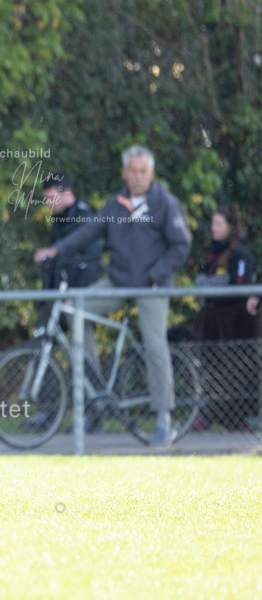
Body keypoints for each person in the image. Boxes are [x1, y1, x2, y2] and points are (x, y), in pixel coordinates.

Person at [33, 145, 191, 446]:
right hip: (119, 281)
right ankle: (96, 390)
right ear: (124, 173)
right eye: (133, 171)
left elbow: (181, 245)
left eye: (143, 171)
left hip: (153, 286)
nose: (138, 176)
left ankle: (163, 418)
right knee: (72, 310)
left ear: (152, 173)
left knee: (154, 342)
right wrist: (56, 250)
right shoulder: (115, 204)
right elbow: (88, 232)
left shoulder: (164, 203)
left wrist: (156, 273)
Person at [194, 204, 260, 430]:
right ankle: (208, 415)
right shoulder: (212, 254)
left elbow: (237, 285)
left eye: (218, 224)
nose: (213, 228)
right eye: (213, 223)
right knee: (210, 369)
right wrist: (212, 288)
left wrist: (213, 288)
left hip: (234, 324)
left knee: (237, 371)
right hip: (212, 323)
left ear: (230, 227)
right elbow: (201, 280)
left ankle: (242, 419)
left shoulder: (239, 254)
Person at [39, 173, 103, 291]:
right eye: (46, 198)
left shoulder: (84, 218)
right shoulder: (59, 217)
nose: (48, 203)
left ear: (67, 192)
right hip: (60, 289)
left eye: (52, 198)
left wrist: (76, 295)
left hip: (79, 292)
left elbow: (92, 260)